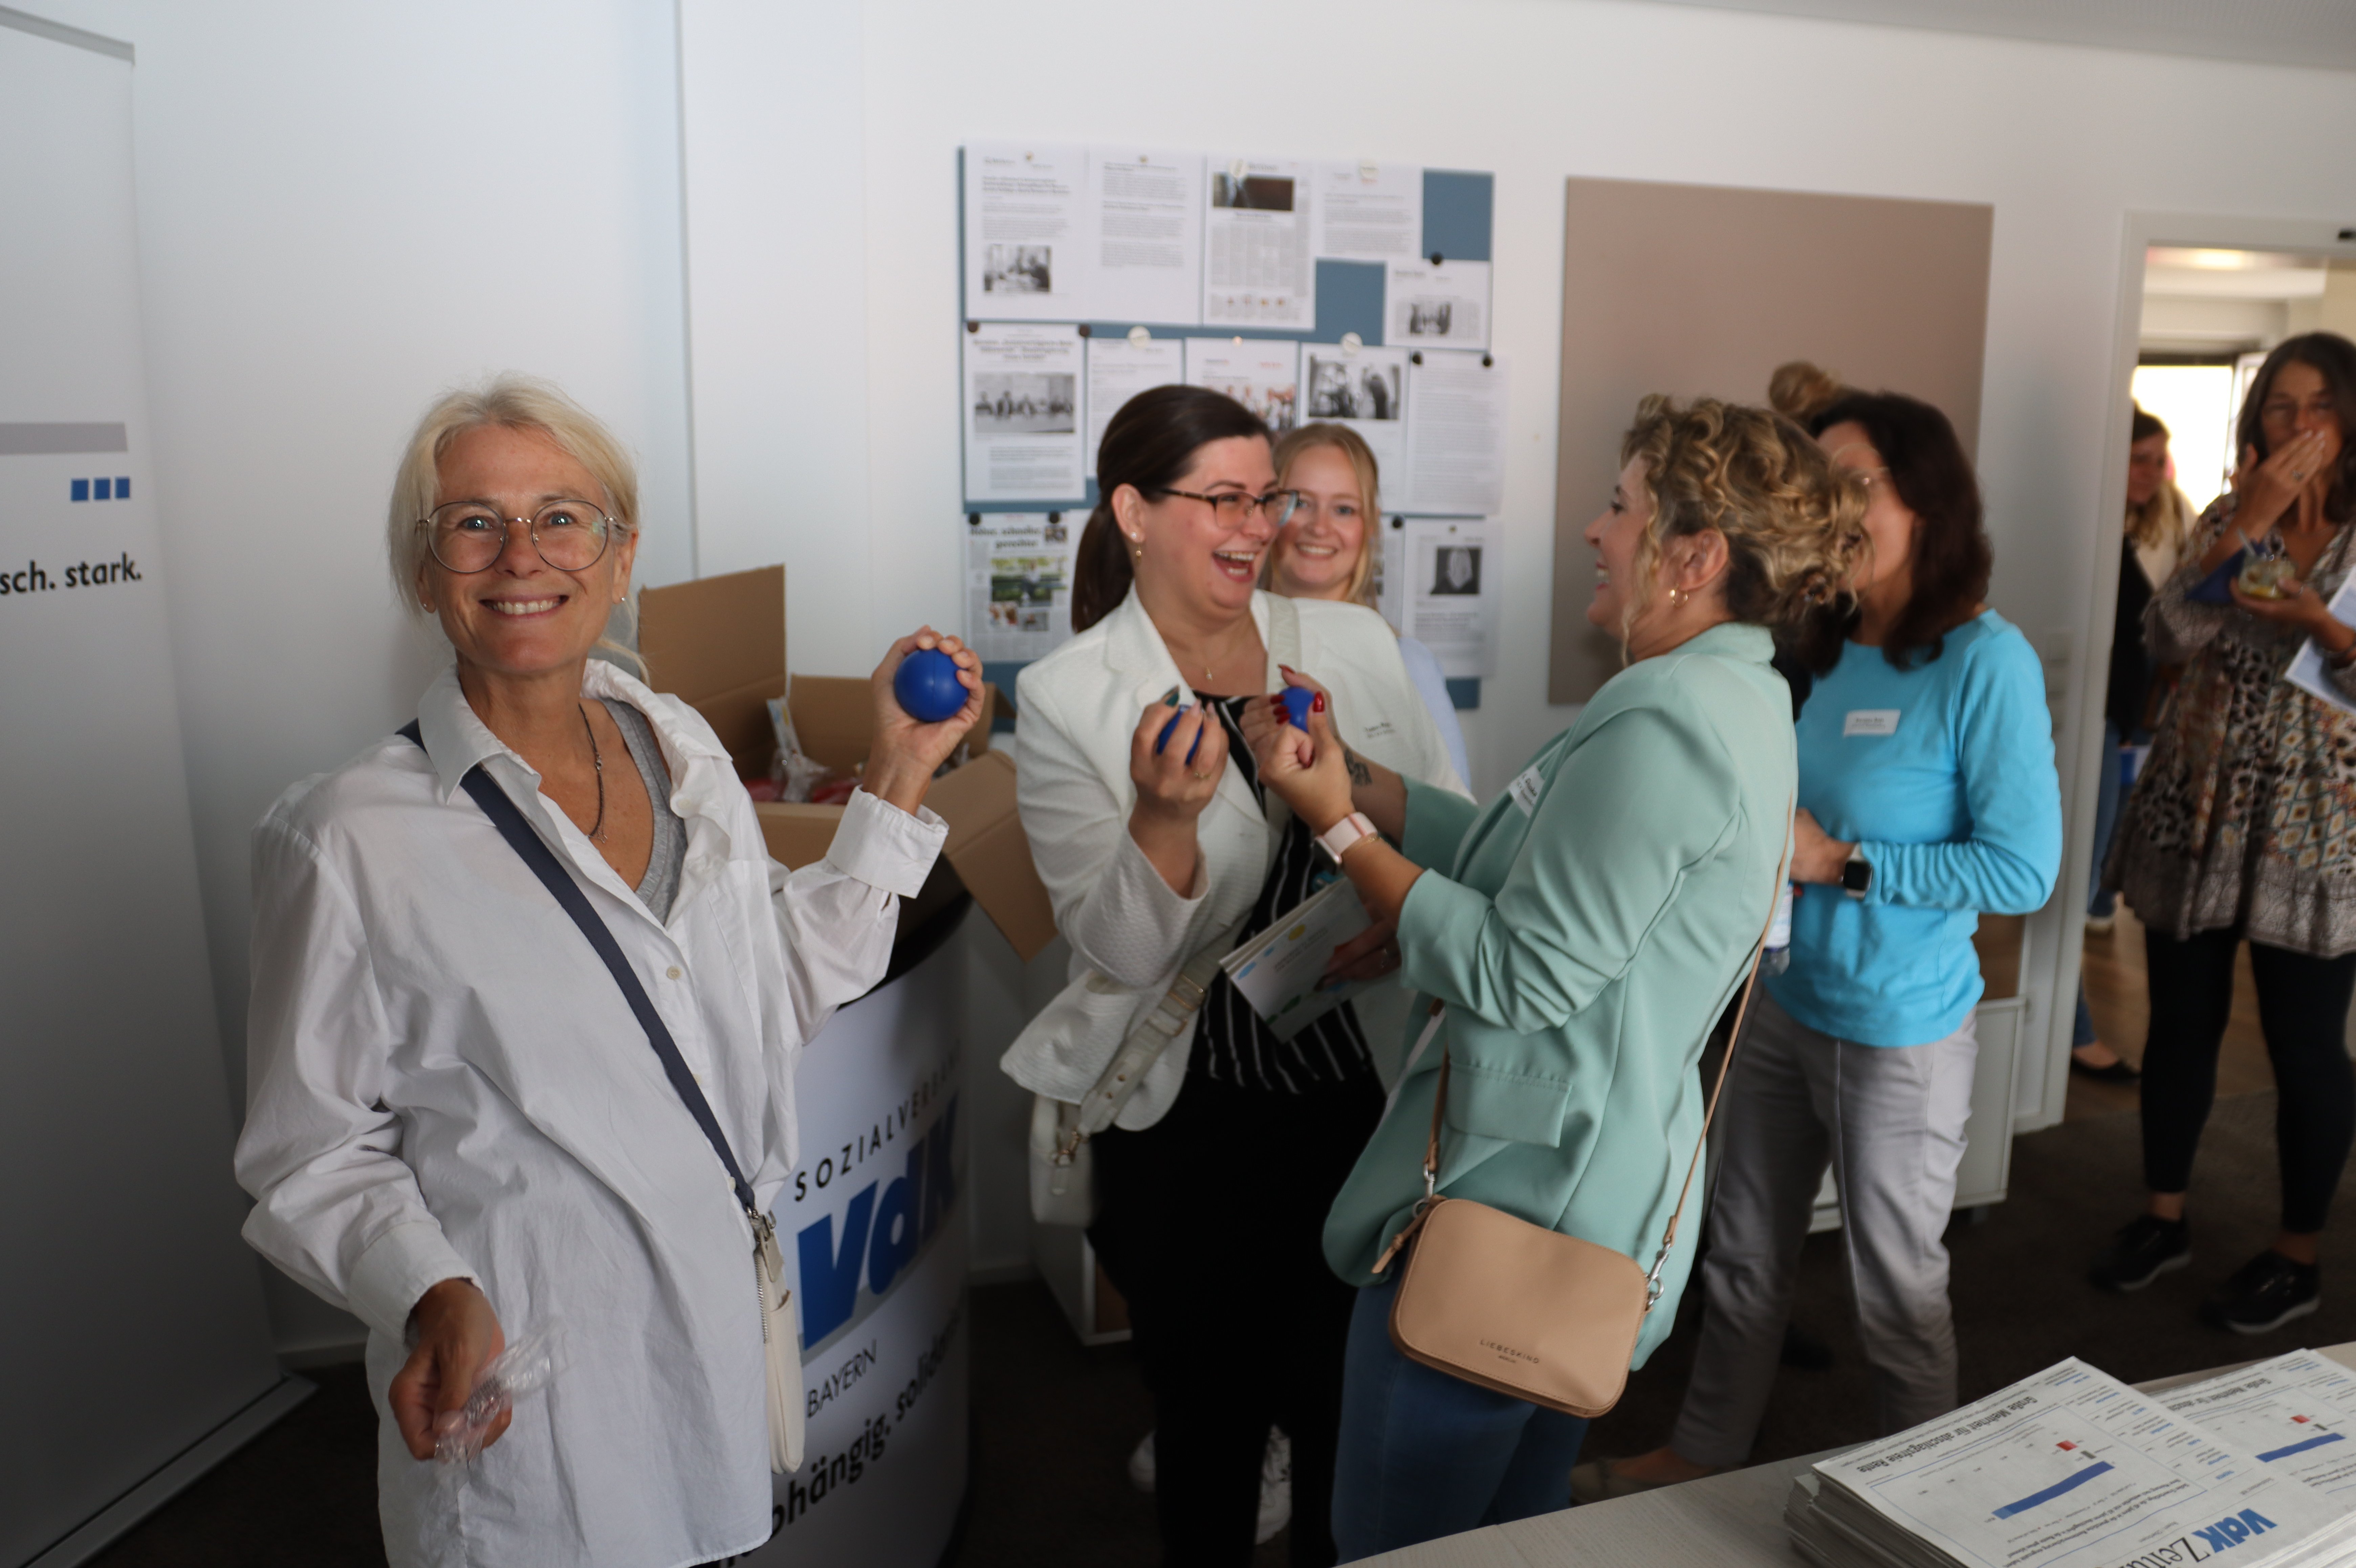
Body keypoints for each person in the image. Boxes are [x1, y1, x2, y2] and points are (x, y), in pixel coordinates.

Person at [234, 376, 982, 1568]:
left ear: (621, 558)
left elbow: (774, 988)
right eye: (473, 522)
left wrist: (896, 771)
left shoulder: (678, 744)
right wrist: (430, 1291)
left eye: (563, 516)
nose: (521, 553)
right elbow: (306, 1148)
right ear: (425, 574)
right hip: (530, 1388)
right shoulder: (347, 836)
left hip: (715, 1340)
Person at [1238, 396, 1860, 1559]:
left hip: (1519, 1202)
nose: (1594, 529)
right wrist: (1365, 783)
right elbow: (1523, 862)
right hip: (1582, 1184)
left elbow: (1521, 971)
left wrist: (1337, 833)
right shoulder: (1736, 694)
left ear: (1693, 555)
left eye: (1620, 507)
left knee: (1394, 1540)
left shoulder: (1667, 718)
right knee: (1513, 1531)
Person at [1002, 384, 1463, 1567]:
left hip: (1355, 1099)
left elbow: (1443, 830)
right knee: (1208, 1434)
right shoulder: (1068, 698)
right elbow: (1117, 955)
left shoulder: (1350, 645)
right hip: (1187, 1128)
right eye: (1223, 500)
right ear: (1135, 513)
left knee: (1343, 1415)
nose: (1259, 527)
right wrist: (1163, 819)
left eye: (1263, 498)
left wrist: (1398, 908)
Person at [1584, 389, 2062, 1499]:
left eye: (1860, 484)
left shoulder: (1986, 661)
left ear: (1927, 504)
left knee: (1897, 1293)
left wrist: (1843, 862)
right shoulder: (1816, 643)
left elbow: (2022, 871)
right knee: (1742, 1259)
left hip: (1900, 1033)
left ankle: (1934, 1493)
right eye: (1823, 484)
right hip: (1780, 1005)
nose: (1834, 508)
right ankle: (1703, 1447)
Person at [2091, 332, 2356, 1332]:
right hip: (2193, 804)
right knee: (2180, 1022)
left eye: (2319, 404)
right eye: (2278, 407)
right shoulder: (2224, 518)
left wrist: (2321, 623)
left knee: (2302, 1044)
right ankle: (2164, 1214)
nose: (2298, 426)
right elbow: (2164, 636)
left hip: (2316, 824)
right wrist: (2245, 521)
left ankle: (2297, 1255)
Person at [2072, 406, 2198, 1081]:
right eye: (2138, 459)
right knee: (2076, 888)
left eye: (2158, 460)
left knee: (2086, 882)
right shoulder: (2095, 535)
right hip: (2091, 723)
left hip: (2116, 724)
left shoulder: (2123, 535)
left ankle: (2071, 1030)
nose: (2152, 473)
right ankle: (2074, 1032)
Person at [1263, 421, 1473, 786]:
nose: (1320, 527)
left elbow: (1453, 821)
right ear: (1268, 513)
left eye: (1343, 509)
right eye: (1302, 503)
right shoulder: (1224, 653)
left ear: (1371, 526)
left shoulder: (1409, 663)